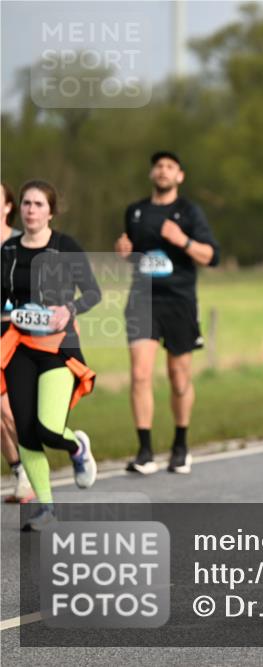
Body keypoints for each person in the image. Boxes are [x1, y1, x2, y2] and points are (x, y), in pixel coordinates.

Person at [1, 181, 100, 530]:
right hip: (19, 348)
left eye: (38, 204)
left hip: (58, 347)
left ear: (50, 211)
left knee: (48, 428)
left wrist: (68, 309)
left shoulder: (65, 246)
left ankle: (76, 449)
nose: (30, 209)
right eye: (26, 203)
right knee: (25, 431)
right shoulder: (8, 251)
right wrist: (6, 313)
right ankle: (46, 509)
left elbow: (92, 293)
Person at [115, 151, 219, 475]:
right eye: (158, 166)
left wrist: (183, 240)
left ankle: (180, 445)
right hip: (142, 298)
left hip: (179, 301)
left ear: (180, 176)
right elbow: (134, 257)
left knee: (179, 376)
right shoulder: (135, 211)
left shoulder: (189, 212)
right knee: (140, 374)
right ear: (152, 175)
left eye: (170, 167)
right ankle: (145, 451)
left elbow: (210, 256)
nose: (163, 171)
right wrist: (123, 253)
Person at [1, 182, 35, 504]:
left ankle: (31, 471)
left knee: (7, 410)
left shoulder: (19, 243)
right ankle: (21, 474)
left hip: (18, 334)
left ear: (8, 206)